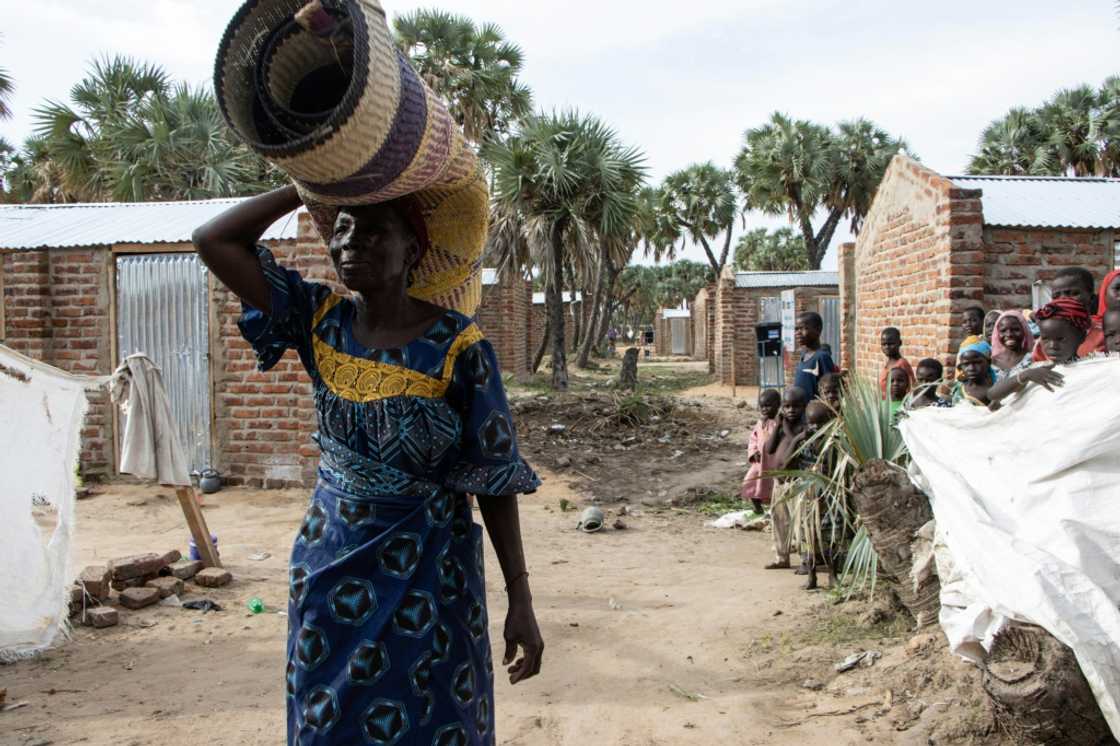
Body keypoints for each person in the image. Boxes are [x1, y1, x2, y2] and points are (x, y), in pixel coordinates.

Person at [193, 186, 543, 745]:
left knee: (434, 717)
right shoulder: (318, 320)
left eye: (374, 230)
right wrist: (306, 187)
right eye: (342, 229)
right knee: (328, 721)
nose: (352, 243)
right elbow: (214, 240)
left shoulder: (459, 347)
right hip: (331, 568)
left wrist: (520, 596)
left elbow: (493, 478)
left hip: (431, 577)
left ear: (413, 250)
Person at [764, 386, 808, 570]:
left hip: (796, 483)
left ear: (804, 407)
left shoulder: (804, 428)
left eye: (796, 406)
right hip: (779, 482)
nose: (791, 410)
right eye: (787, 406)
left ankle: (806, 559)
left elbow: (794, 446)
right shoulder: (782, 427)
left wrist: (788, 429)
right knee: (779, 520)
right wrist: (778, 426)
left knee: (800, 523)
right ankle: (782, 557)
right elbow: (769, 449)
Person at [1033, 267, 1105, 362]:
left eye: (1073, 293)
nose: (1063, 300)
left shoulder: (1105, 333)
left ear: (1091, 298)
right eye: (1056, 296)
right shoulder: (1047, 337)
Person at [741, 389, 781, 515]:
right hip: (760, 462)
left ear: (778, 405)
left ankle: (775, 510)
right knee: (750, 482)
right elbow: (753, 438)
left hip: (773, 463)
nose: (764, 409)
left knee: (774, 487)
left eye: (768, 406)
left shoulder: (779, 422)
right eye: (762, 406)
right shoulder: (760, 422)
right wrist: (754, 452)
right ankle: (757, 507)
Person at [793, 312, 837, 400]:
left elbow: (830, 388)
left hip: (815, 408)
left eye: (803, 328)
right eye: (796, 329)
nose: (798, 333)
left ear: (818, 329)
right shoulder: (804, 355)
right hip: (802, 408)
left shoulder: (822, 357)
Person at [990, 311, 1035, 381]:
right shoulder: (991, 362)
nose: (1009, 334)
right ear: (997, 334)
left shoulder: (1033, 358)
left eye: (1016, 329)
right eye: (1003, 330)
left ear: (1024, 331)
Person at [950, 340, 996, 406]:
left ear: (988, 362)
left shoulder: (999, 387)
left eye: (977, 362)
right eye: (966, 364)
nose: (972, 368)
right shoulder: (958, 388)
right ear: (960, 367)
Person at [878, 327, 914, 397]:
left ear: (900, 343)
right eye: (884, 344)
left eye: (891, 344)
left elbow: (911, 389)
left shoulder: (902, 364)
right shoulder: (888, 364)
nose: (887, 347)